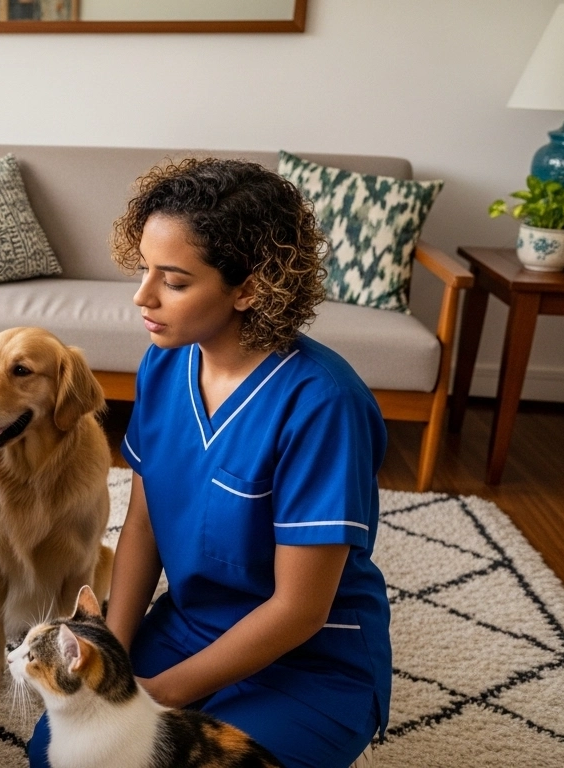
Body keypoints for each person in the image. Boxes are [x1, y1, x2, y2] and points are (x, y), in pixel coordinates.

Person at [27, 158, 390, 768]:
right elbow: (143, 524)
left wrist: (158, 695)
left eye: (173, 280)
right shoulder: (164, 363)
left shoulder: (324, 404)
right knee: (58, 754)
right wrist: (113, 651)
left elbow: (300, 610)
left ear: (250, 287)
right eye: (143, 269)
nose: (142, 297)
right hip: (192, 627)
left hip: (309, 660)